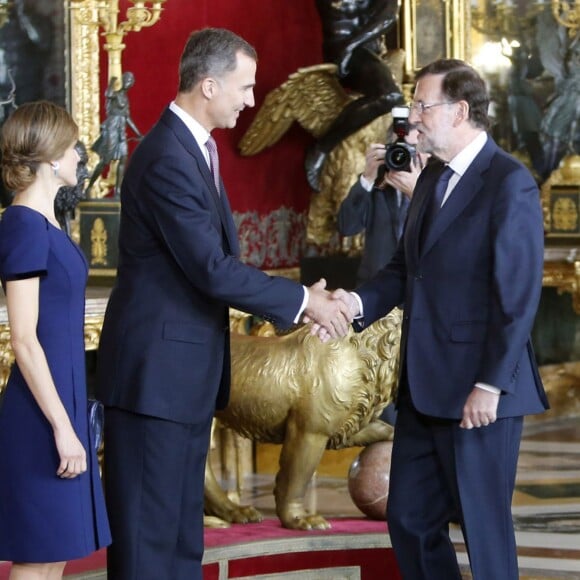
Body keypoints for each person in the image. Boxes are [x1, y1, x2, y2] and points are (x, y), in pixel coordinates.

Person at [95, 27, 351, 580]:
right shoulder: (166, 156)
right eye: (245, 86)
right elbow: (210, 269)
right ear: (208, 85)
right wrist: (303, 300)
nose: (251, 100)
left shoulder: (193, 149)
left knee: (181, 538)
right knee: (148, 544)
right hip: (153, 382)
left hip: (180, 379)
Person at [329, 59, 549, 579]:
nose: (414, 119)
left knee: (482, 528)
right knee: (409, 519)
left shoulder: (508, 183)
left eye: (423, 105)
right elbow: (406, 269)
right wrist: (353, 305)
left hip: (479, 394)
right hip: (425, 387)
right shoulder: (430, 180)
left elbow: (516, 298)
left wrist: (490, 383)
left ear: (462, 110)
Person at [0, 101, 111, 579]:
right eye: (73, 147)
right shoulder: (23, 224)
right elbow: (24, 340)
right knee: (36, 560)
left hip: (61, 406)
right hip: (40, 417)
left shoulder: (46, 222)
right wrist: (63, 429)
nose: (80, 156)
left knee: (55, 557)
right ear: (49, 158)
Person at [305, 0, 403, 191]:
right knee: (390, 96)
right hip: (341, 49)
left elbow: (388, 17)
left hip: (360, 50)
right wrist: (348, 50)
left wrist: (350, 48)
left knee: (397, 103)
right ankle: (322, 148)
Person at [337, 126, 426, 285]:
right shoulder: (377, 185)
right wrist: (367, 178)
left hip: (419, 288)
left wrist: (417, 193)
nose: (404, 155)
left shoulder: (438, 185)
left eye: (412, 149)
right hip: (376, 288)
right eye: (398, 149)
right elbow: (347, 226)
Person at [86, 71, 142, 197]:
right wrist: (111, 83)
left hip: (121, 130)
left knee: (123, 158)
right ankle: (89, 186)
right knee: (105, 161)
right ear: (123, 81)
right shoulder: (115, 94)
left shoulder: (125, 99)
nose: (129, 83)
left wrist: (139, 134)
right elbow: (108, 94)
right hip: (112, 128)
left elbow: (128, 118)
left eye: (131, 81)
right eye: (127, 80)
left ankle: (118, 190)